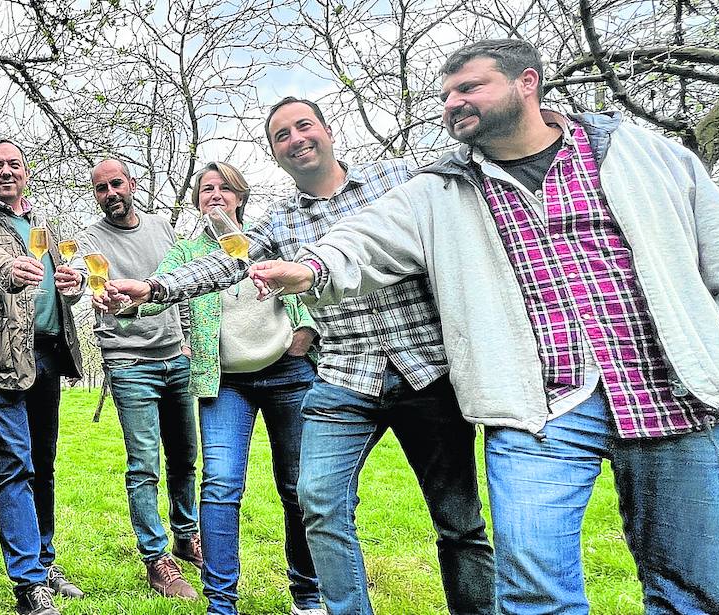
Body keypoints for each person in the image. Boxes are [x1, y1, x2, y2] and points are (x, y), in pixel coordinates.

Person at [255, 39, 719, 614]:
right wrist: (308, 268)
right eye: (445, 95)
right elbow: (361, 242)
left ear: (526, 83)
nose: (451, 104)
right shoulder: (439, 188)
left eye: (468, 88)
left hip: (674, 389)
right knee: (534, 594)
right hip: (538, 405)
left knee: (694, 590)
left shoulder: (640, 153)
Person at [114, 97, 495, 615]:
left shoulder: (398, 181)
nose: (295, 139)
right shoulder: (282, 224)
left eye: (303, 126)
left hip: (423, 368)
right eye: (281, 135)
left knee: (458, 521)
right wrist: (154, 288)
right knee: (318, 501)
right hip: (345, 377)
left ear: (327, 131)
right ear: (274, 154)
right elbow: (226, 266)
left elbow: (464, 181)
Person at [100, 161, 326, 615]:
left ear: (240, 196)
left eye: (224, 188)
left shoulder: (265, 238)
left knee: (297, 486)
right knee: (221, 485)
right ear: (198, 200)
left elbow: (306, 284)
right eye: (206, 189)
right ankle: (221, 604)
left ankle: (307, 595)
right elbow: (153, 295)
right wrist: (125, 306)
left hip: (287, 373)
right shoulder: (186, 253)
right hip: (226, 382)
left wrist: (305, 329)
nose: (215, 195)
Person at [53, 159, 201, 600]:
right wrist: (75, 282)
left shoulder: (161, 227)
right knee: (144, 465)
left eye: (116, 183)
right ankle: (157, 560)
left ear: (132, 184)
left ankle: (186, 535)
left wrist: (189, 339)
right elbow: (81, 276)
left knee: (185, 458)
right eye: (101, 188)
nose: (110, 192)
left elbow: (183, 284)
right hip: (130, 363)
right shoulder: (91, 239)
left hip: (177, 357)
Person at [0, 140, 84, 615]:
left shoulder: (43, 226)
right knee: (14, 464)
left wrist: (75, 282)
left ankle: (46, 563)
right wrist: (10, 268)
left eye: (13, 164)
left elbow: (59, 279)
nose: (5, 171)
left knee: (43, 465)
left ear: (26, 171)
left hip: (46, 354)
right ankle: (28, 585)